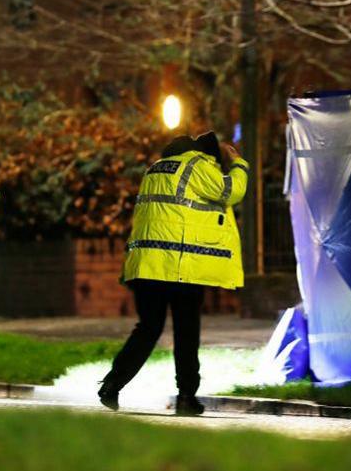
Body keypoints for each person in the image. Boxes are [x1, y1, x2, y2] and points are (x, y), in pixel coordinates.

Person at [98, 131, 249, 415]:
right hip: (180, 264)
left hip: (146, 264)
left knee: (148, 328)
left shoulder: (155, 169)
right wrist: (239, 164)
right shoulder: (197, 165)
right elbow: (231, 191)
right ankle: (186, 398)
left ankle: (111, 386)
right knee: (186, 331)